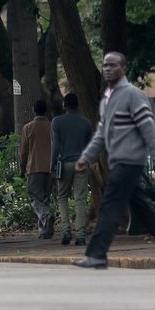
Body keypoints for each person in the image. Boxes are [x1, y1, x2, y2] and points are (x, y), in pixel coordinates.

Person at [72, 52, 155, 269]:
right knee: (144, 209)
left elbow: (149, 129)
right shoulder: (108, 98)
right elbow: (101, 134)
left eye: (113, 65)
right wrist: (86, 157)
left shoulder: (133, 95)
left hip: (130, 160)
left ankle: (97, 254)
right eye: (105, 65)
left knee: (109, 205)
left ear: (124, 68)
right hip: (119, 162)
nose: (108, 68)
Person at [51, 93, 93, 246]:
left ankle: (66, 231)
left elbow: (55, 146)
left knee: (62, 197)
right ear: (78, 105)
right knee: (80, 198)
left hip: (64, 163)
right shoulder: (86, 123)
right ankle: (81, 235)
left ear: (64, 105)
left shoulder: (57, 122)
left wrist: (52, 165)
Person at [20, 99, 54, 239]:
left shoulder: (28, 127)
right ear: (45, 111)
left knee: (34, 197)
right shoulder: (52, 126)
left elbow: (24, 151)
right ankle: (44, 231)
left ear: (34, 111)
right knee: (45, 198)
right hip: (50, 168)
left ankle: (46, 216)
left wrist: (22, 168)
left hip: (34, 167)